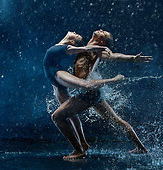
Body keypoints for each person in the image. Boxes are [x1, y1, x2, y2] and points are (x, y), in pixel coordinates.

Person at [51, 30, 153, 159]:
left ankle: (79, 151)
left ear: (102, 41)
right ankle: (141, 147)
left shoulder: (96, 51)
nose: (101, 30)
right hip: (93, 93)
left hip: (90, 93)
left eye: (104, 33)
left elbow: (114, 56)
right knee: (116, 121)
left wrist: (132, 58)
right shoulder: (86, 48)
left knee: (57, 117)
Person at [43, 31, 124, 159]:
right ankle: (83, 143)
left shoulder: (68, 47)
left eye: (75, 35)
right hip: (54, 83)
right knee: (70, 114)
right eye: (75, 34)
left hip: (57, 74)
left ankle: (113, 79)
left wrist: (103, 48)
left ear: (72, 41)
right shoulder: (60, 44)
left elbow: (86, 48)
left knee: (85, 86)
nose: (74, 32)